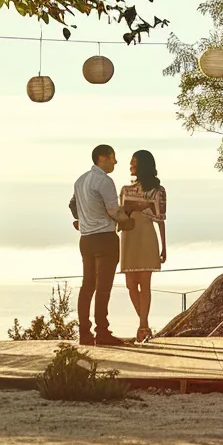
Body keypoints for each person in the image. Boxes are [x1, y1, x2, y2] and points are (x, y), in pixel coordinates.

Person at [69, 144, 139, 346]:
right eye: (112, 157)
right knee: (103, 288)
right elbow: (113, 211)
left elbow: (73, 204)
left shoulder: (80, 180)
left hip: (86, 238)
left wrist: (81, 219)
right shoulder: (104, 181)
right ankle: (102, 332)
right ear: (102, 158)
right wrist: (127, 219)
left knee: (87, 285)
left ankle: (84, 332)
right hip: (105, 237)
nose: (115, 162)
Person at [119, 150, 168, 343]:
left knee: (144, 283)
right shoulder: (125, 190)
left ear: (143, 166)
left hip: (147, 237)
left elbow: (161, 219)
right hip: (129, 237)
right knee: (131, 284)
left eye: (133, 163)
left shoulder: (158, 190)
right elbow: (119, 214)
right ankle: (145, 325)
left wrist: (164, 247)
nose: (130, 166)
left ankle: (142, 327)